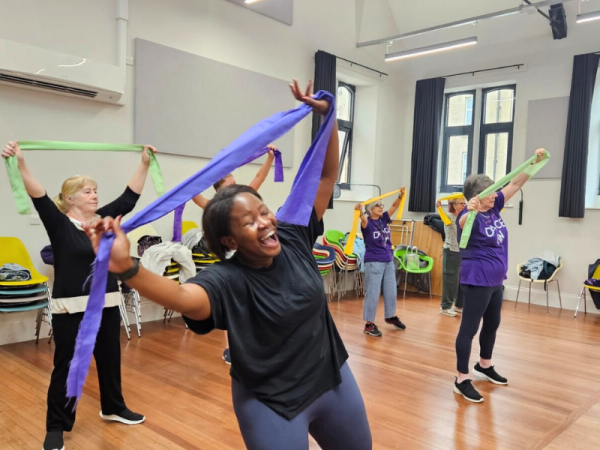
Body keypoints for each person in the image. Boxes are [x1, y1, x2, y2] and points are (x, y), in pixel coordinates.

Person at [84, 80, 372, 450]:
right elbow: (184, 297)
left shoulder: (293, 236)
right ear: (229, 242)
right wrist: (126, 267)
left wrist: (328, 117)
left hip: (333, 380)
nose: (266, 223)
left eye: (264, 211)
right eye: (250, 222)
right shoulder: (227, 279)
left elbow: (327, 176)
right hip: (270, 402)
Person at [1, 142, 153, 450]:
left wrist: (145, 164)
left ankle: (113, 407)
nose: (94, 195)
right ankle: (56, 426)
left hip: (107, 303)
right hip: (70, 309)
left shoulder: (103, 218)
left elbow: (129, 197)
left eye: (95, 190)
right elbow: (37, 194)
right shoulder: (58, 223)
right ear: (69, 198)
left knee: (110, 359)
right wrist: (21, 163)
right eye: (87, 191)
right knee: (67, 366)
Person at [453, 148, 546, 403]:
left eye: (495, 191)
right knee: (469, 329)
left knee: (492, 324)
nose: (494, 196)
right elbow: (461, 224)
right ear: (475, 197)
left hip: (496, 280)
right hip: (477, 280)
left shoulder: (494, 207)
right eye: (489, 193)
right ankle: (461, 378)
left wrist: (533, 162)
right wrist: (469, 210)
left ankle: (484, 365)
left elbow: (516, 182)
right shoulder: (467, 215)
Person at [192, 146, 277, 365]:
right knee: (235, 305)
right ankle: (231, 348)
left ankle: (260, 342)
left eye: (234, 185)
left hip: (247, 260)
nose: (235, 191)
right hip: (229, 262)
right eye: (229, 186)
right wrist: (202, 176)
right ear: (220, 191)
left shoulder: (245, 199)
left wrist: (269, 158)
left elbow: (259, 176)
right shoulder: (214, 208)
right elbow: (193, 194)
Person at [355, 188, 407, 337]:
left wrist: (400, 196)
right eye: (378, 205)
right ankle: (369, 324)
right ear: (371, 209)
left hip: (388, 260)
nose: (381, 207)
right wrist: (358, 209)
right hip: (374, 262)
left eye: (381, 205)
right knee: (372, 293)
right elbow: (362, 217)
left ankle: (390, 316)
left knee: (391, 291)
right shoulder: (367, 223)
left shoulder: (384, 219)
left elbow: (394, 206)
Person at [436, 197, 467, 317]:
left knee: (461, 280)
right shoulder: (449, 216)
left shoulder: (464, 217)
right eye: (460, 204)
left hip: (461, 251)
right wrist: (439, 207)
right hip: (451, 250)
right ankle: (445, 306)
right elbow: (443, 216)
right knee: (451, 280)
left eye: (464, 203)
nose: (463, 206)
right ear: (453, 205)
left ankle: (459, 305)